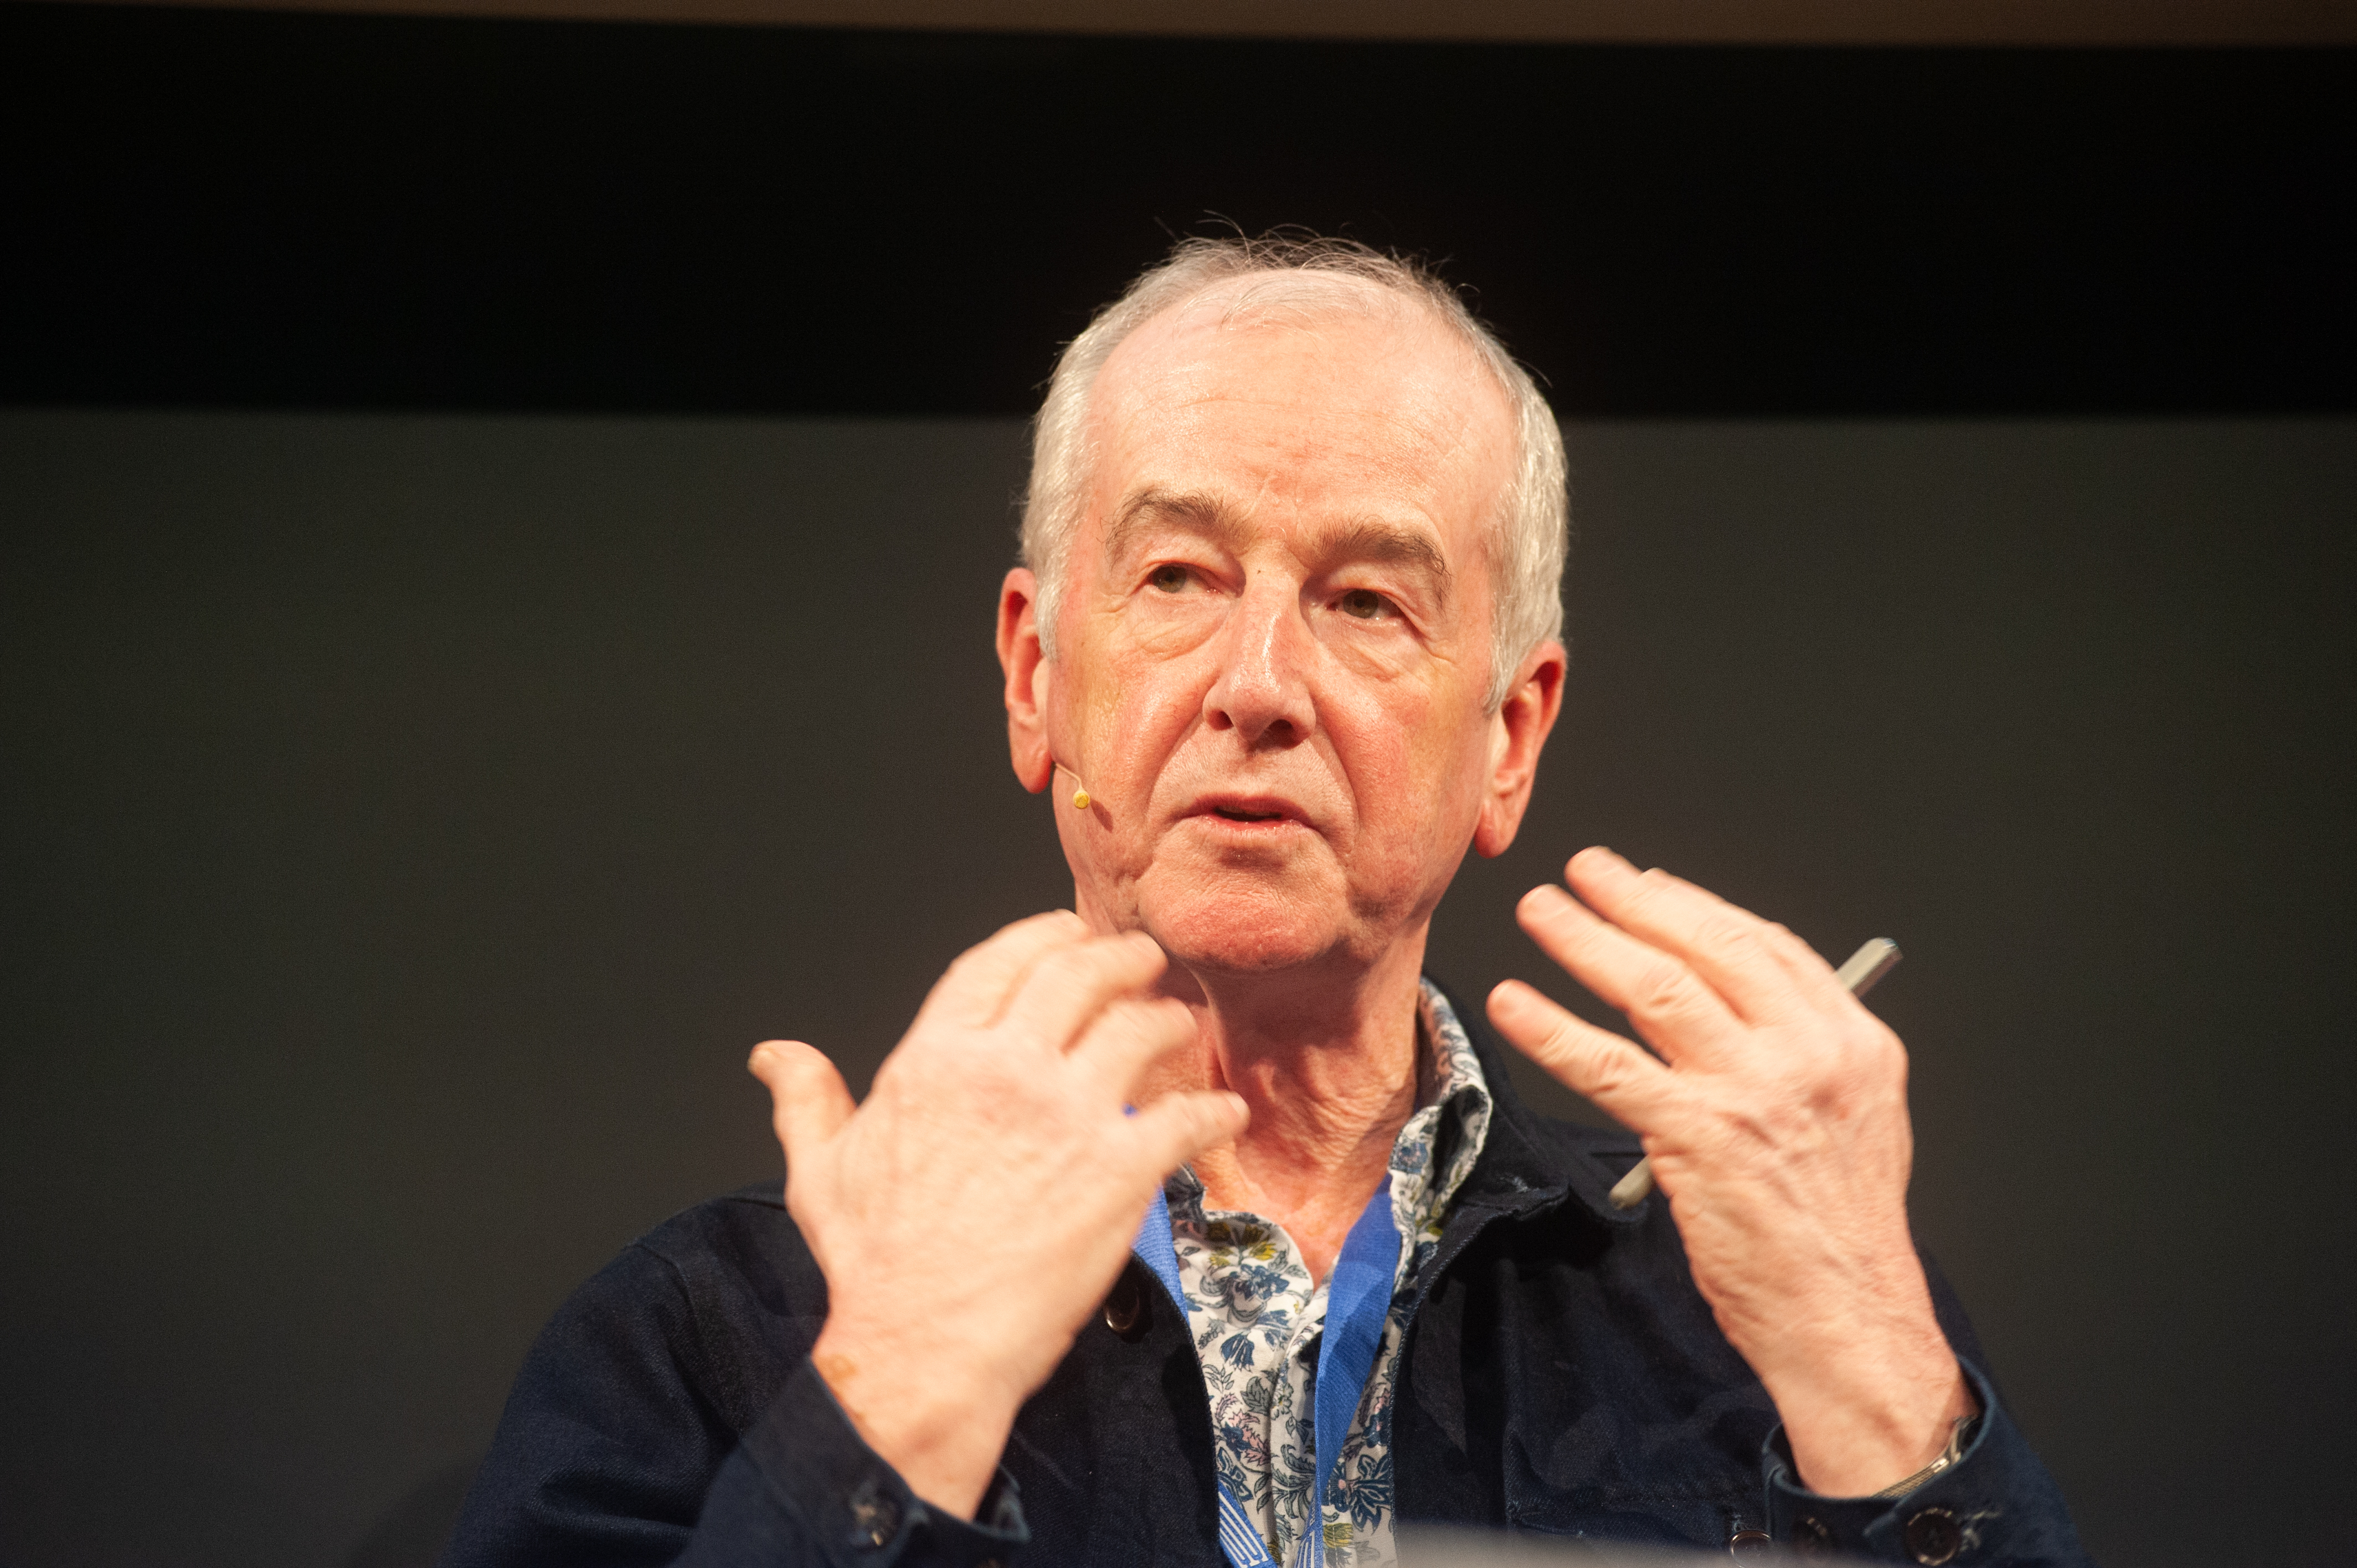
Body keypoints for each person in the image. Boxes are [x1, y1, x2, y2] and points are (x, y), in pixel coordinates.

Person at [442, 234, 2087, 1568]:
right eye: (1177, 578)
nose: (1260, 686)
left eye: (1368, 602)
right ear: (1036, 675)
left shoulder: (1744, 1303)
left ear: (1508, 737)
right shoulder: (724, 1332)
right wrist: (896, 1397)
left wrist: (1874, 1363)